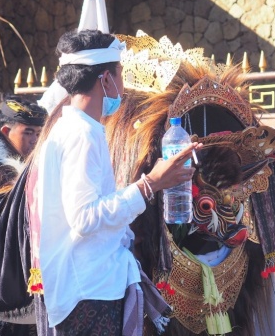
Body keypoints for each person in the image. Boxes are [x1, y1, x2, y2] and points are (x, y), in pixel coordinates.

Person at [35, 30, 201, 334]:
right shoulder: (80, 135)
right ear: (105, 79)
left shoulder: (80, 129)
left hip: (93, 286)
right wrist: (150, 183)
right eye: (120, 73)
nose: (122, 83)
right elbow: (84, 218)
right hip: (88, 290)